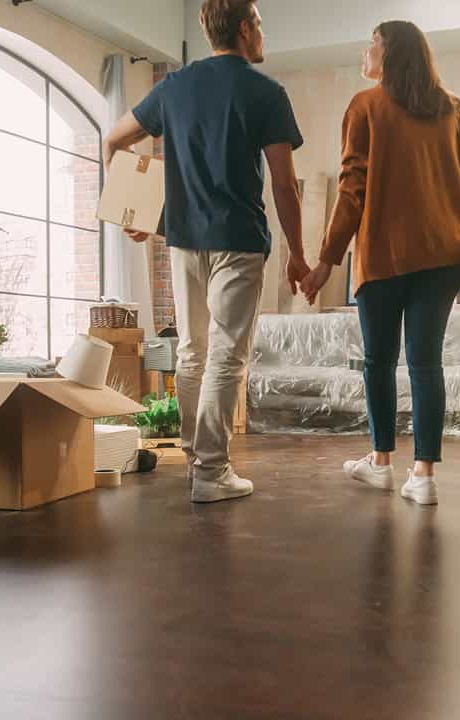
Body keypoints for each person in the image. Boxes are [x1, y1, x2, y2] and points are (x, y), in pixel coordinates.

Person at [102, 0, 310, 503]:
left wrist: (136, 212)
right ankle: (212, 471)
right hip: (238, 240)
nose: (262, 33)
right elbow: (284, 185)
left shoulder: (174, 87)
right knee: (225, 355)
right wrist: (297, 253)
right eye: (259, 24)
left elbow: (114, 140)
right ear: (244, 28)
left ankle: (198, 461)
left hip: (183, 240)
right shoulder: (266, 93)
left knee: (193, 351)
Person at [300, 21, 460, 506]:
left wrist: (327, 261)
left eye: (373, 44)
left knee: (379, 361)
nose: (366, 51)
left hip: (383, 255)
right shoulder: (450, 112)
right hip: (443, 255)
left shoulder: (366, 106)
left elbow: (351, 189)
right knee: (426, 364)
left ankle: (380, 463)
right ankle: (424, 476)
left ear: (391, 54)